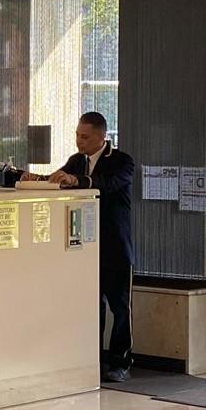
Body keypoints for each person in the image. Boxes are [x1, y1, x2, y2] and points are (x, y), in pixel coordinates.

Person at [30, 111, 135, 381]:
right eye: (77, 135)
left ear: (101, 137)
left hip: (115, 245)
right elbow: (60, 179)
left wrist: (78, 181)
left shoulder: (122, 161)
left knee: (120, 307)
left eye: (85, 137)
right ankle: (91, 360)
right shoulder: (77, 161)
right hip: (85, 247)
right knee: (90, 305)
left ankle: (121, 362)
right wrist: (38, 179)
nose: (79, 141)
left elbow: (108, 184)